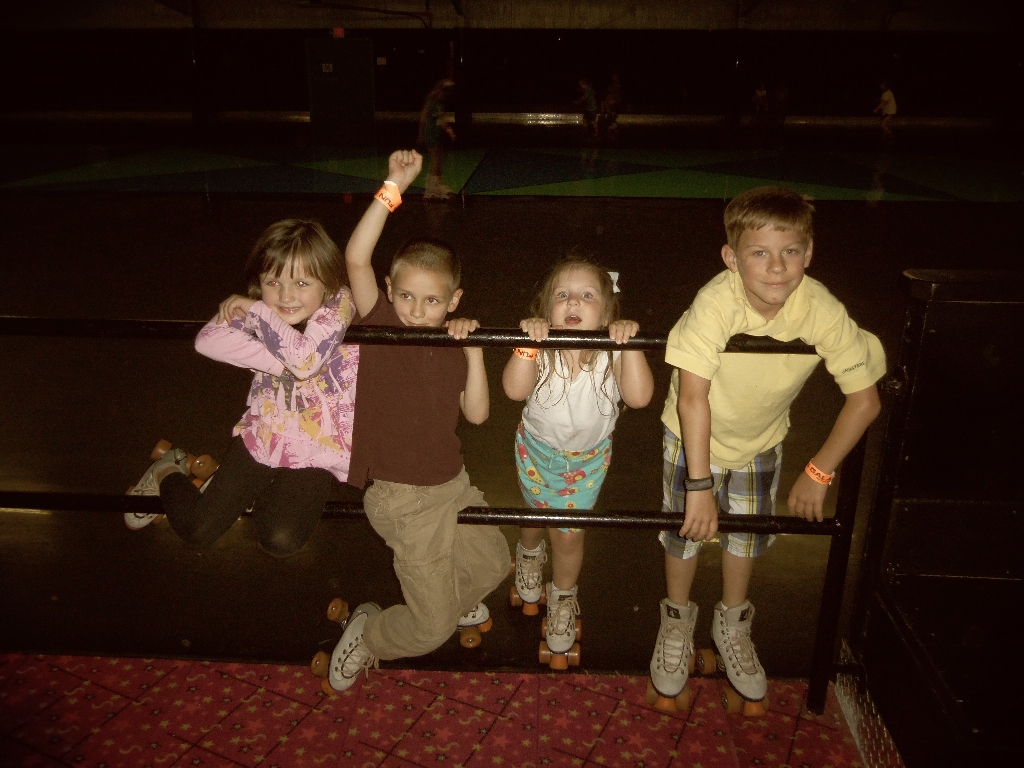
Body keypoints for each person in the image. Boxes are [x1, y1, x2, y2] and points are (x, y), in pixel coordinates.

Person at [648, 186, 885, 710]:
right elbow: (692, 399)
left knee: (746, 537)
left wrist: (819, 472)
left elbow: (865, 400)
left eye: (790, 251)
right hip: (693, 439)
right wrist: (699, 485)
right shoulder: (715, 304)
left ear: (809, 252)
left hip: (761, 441)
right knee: (685, 535)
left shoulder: (820, 308)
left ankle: (732, 625)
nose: (777, 267)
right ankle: (676, 621)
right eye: (759, 253)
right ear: (731, 258)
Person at [324, 149, 510, 692]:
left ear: (453, 301)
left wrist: (475, 350)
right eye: (406, 295)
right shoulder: (380, 323)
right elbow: (355, 257)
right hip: (404, 502)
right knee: (431, 631)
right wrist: (393, 187)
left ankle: (444, 601)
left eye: (431, 300)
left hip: (452, 486)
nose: (415, 309)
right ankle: (371, 634)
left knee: (494, 563)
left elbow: (478, 414)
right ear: (388, 290)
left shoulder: (454, 346)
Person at [125, 220, 358, 558]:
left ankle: (242, 488)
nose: (286, 296)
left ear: (328, 281)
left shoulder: (339, 302)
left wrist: (258, 312)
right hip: (267, 431)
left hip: (319, 444)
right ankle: (167, 469)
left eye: (302, 283)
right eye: (272, 282)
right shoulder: (258, 308)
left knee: (279, 538)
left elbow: (306, 360)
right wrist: (280, 362)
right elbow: (207, 340)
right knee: (198, 529)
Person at [503, 258, 653, 668]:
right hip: (536, 451)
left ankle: (563, 596)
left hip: (585, 464)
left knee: (568, 536)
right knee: (533, 511)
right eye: (562, 295)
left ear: (605, 315)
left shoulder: (611, 351)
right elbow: (514, 390)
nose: (573, 302)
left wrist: (630, 344)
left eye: (587, 295)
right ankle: (528, 554)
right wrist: (527, 343)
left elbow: (639, 397)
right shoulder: (541, 347)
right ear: (546, 309)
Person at [418, 79, 457, 200]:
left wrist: (422, 133)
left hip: (433, 133)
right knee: (436, 159)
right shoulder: (434, 103)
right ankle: (433, 188)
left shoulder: (434, 102)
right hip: (432, 133)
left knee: (437, 159)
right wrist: (449, 130)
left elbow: (429, 118)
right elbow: (432, 119)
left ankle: (434, 186)